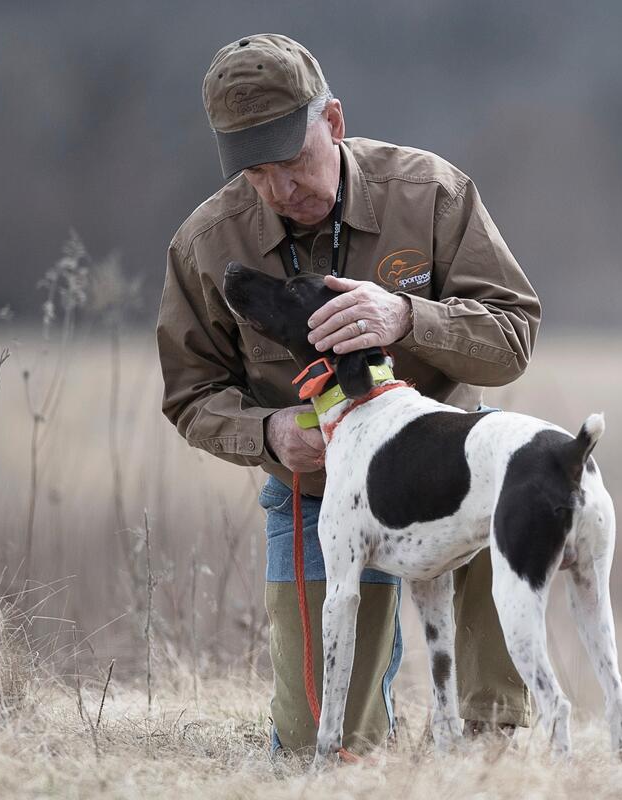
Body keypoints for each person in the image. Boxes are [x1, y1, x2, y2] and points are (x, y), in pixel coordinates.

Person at [157, 33, 541, 753]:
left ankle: (489, 752)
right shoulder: (205, 245)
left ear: (333, 121)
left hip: (453, 469)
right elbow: (190, 392)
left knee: (510, 479)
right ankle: (362, 743)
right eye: (255, 171)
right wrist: (268, 435)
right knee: (319, 745)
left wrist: (408, 317)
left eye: (293, 160)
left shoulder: (431, 193)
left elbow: (514, 335)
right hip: (314, 494)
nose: (279, 189)